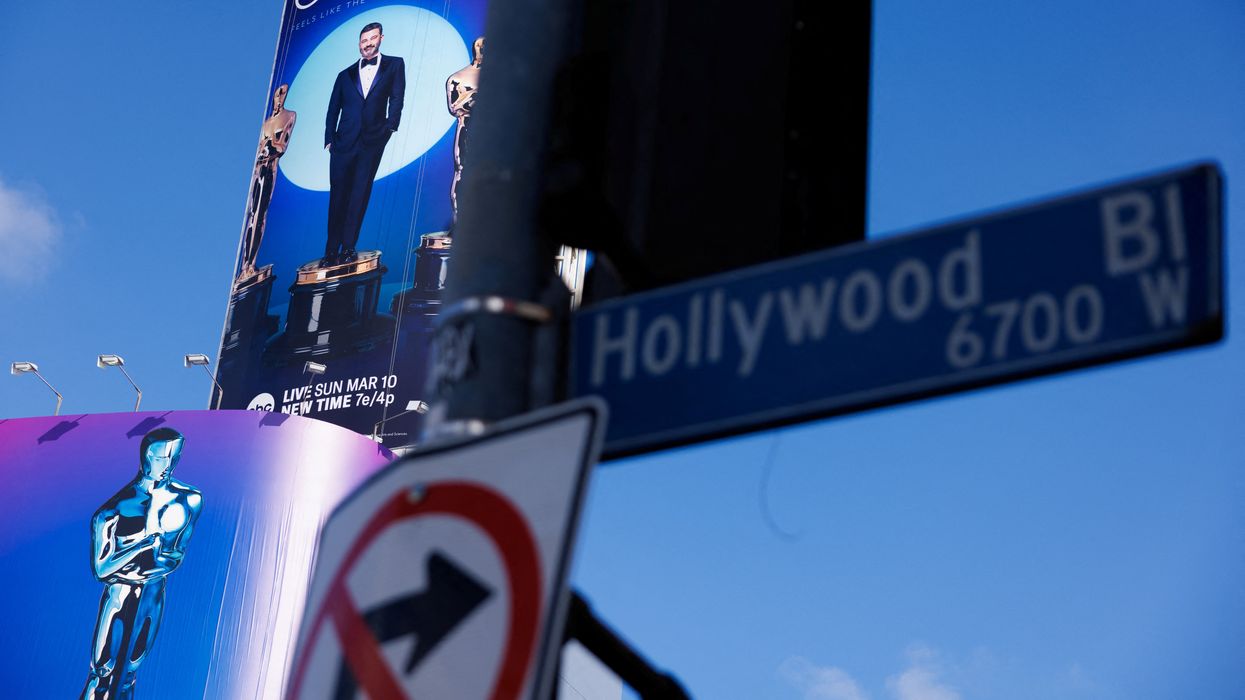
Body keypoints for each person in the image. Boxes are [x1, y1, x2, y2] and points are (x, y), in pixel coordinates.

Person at [81, 428, 203, 700]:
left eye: (175, 456)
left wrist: (154, 560)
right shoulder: (114, 509)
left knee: (129, 674)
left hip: (153, 593)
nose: (168, 464)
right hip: (120, 593)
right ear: (146, 456)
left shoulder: (189, 500)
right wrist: (144, 546)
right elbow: (101, 569)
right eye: (161, 458)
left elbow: (177, 555)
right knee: (102, 672)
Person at [323, 22, 406, 266]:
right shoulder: (344, 74)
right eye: (363, 40)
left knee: (360, 194)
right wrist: (329, 139)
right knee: (338, 196)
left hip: (372, 141)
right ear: (359, 44)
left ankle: (348, 247)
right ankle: (331, 249)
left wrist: (390, 127)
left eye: (371, 39)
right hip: (343, 143)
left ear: (381, 38)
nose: (367, 44)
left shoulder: (395, 64)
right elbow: (332, 109)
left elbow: (397, 97)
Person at [239, 84, 296, 280]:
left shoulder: (289, 116)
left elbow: (281, 147)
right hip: (258, 169)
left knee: (260, 215)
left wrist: (268, 148)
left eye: (283, 93)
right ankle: (245, 265)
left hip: (269, 169)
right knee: (252, 217)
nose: (279, 96)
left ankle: (251, 264)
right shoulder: (265, 123)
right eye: (277, 93)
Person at [446, 36, 483, 226]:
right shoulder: (458, 77)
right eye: (479, 46)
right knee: (462, 172)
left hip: (494, 131)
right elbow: (454, 107)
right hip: (467, 128)